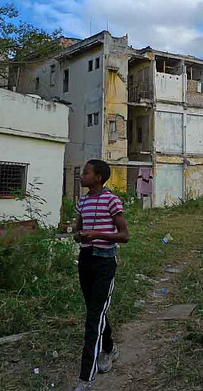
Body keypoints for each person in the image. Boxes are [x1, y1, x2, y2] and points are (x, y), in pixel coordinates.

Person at [72, 160, 129, 391]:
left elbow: (124, 235)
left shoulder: (112, 200)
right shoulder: (83, 201)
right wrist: (80, 235)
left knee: (93, 318)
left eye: (85, 172)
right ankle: (110, 349)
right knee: (95, 311)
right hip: (86, 261)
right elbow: (77, 230)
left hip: (105, 262)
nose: (81, 175)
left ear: (97, 177)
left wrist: (97, 234)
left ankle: (85, 379)